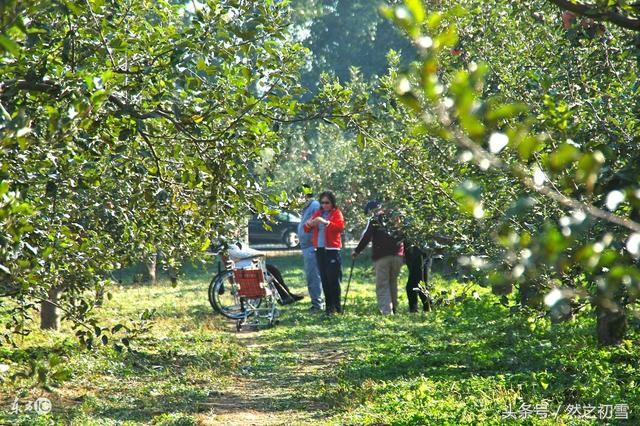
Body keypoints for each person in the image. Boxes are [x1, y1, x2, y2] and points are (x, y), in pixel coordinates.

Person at [352, 201, 404, 315]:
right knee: (392, 283)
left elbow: (367, 236)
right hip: (398, 255)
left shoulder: (376, 219)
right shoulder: (397, 216)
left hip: (382, 256)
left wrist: (357, 251)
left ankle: (386, 311)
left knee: (382, 284)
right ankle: (394, 308)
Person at [304, 191, 345, 314]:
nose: (324, 205)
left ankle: (337, 307)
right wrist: (309, 223)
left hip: (332, 250)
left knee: (333, 280)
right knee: (325, 279)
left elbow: (340, 228)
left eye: (327, 203)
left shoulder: (336, 213)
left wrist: (325, 222)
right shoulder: (318, 213)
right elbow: (306, 229)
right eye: (322, 203)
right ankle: (329, 308)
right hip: (320, 250)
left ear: (332, 203)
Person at [297, 186, 323, 311]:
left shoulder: (314, 206)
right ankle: (316, 304)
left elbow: (319, 225)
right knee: (311, 276)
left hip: (313, 247)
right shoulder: (307, 207)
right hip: (307, 247)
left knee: (314, 276)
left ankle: (317, 305)